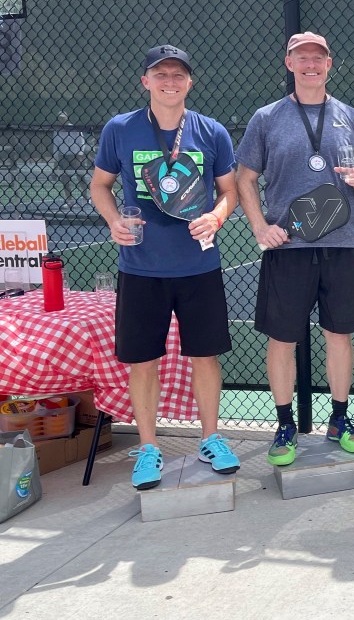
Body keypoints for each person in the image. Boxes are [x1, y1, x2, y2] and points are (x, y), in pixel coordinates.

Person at [91, 45, 240, 489]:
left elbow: (230, 191)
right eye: (161, 74)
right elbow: (100, 186)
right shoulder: (120, 129)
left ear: (190, 82)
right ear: (146, 81)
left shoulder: (212, 132)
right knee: (142, 362)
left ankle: (211, 438)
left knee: (205, 356)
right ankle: (149, 447)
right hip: (140, 268)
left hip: (198, 266)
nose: (169, 82)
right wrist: (114, 220)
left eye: (178, 75)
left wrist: (216, 216)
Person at [236, 31, 354, 467]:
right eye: (303, 58)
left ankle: (339, 418)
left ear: (329, 64)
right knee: (282, 338)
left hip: (343, 242)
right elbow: (245, 179)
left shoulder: (352, 117)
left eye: (318, 58)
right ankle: (284, 424)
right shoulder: (266, 118)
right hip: (288, 245)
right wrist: (260, 227)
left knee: (340, 335)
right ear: (290, 63)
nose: (311, 65)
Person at [53, 111, 90, 204]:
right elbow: (55, 146)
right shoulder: (57, 131)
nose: (61, 119)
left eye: (63, 117)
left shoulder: (74, 128)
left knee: (81, 177)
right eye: (60, 118)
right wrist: (56, 160)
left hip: (76, 156)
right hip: (63, 157)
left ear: (67, 117)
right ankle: (69, 200)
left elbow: (81, 142)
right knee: (65, 180)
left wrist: (80, 155)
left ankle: (86, 197)